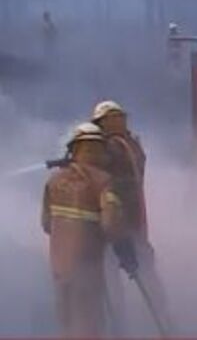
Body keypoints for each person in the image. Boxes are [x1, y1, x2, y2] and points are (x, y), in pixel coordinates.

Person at [41, 122, 134, 338]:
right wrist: (126, 252)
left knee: (67, 324)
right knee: (89, 325)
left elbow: (46, 224)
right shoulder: (103, 182)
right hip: (88, 269)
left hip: (60, 269)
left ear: (73, 149)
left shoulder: (53, 182)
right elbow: (111, 225)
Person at [90, 100, 173, 333]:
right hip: (132, 222)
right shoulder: (131, 144)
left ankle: (121, 328)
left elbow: (99, 166)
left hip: (116, 223)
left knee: (112, 279)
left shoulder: (114, 147)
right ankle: (164, 321)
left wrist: (78, 159)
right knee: (145, 272)